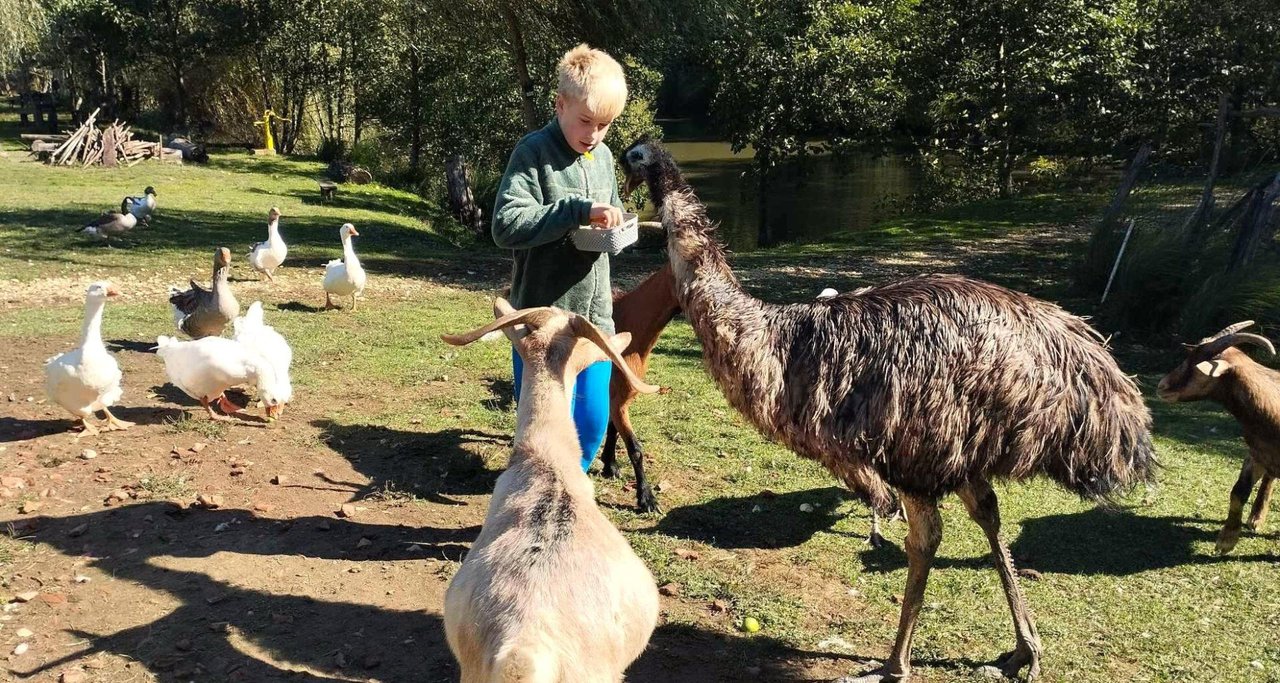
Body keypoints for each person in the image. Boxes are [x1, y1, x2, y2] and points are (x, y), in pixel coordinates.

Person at [492, 44, 629, 472]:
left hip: (595, 322)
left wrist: (618, 224)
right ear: (560, 104)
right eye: (586, 121)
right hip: (542, 322)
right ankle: (536, 499)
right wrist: (574, 211)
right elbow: (506, 224)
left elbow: (609, 205)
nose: (594, 134)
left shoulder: (603, 156)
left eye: (605, 125)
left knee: (589, 426)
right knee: (543, 431)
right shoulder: (532, 153)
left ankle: (569, 488)